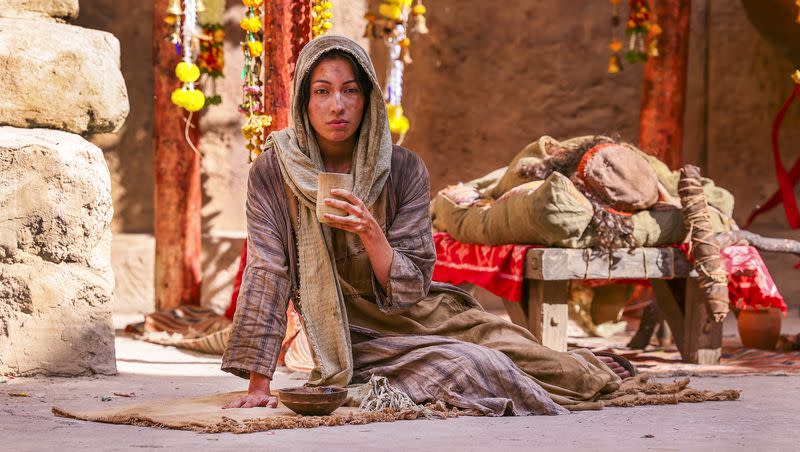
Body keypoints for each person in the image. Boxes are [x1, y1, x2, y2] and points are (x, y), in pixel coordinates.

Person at [221, 35, 631, 415]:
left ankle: (586, 367)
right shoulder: (274, 171)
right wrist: (260, 384)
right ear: (304, 102)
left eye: (350, 90)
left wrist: (370, 232)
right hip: (353, 336)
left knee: (532, 356)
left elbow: (413, 284)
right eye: (322, 91)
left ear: (368, 100)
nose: (337, 106)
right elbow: (267, 270)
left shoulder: (402, 169)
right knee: (476, 366)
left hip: (424, 312)